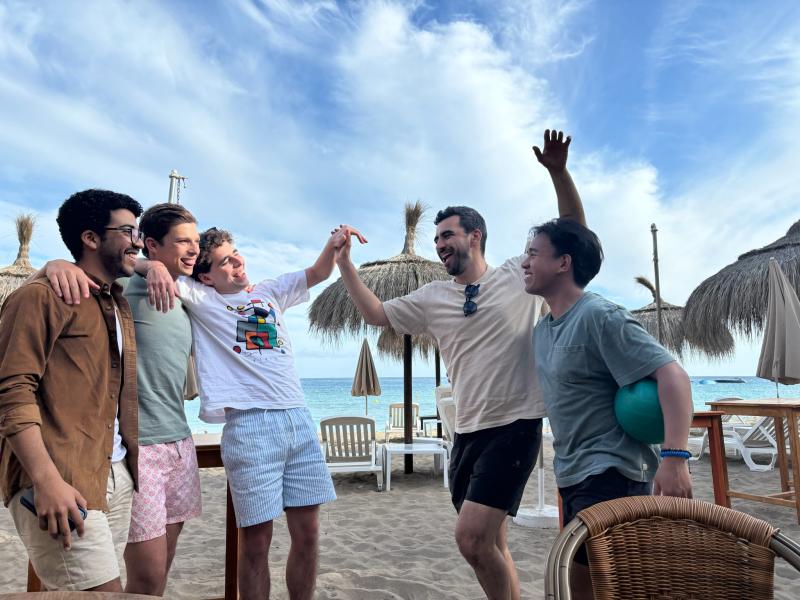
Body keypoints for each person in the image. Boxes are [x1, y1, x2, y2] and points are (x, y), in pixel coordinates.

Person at [333, 130, 585, 600]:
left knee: (471, 540)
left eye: (447, 235)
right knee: (492, 543)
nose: (440, 245)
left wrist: (558, 172)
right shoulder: (431, 297)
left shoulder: (517, 276)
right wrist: (347, 265)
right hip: (465, 433)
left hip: (515, 425)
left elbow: (573, 229)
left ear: (475, 235)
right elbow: (377, 314)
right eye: (436, 239)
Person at [138, 224, 365, 600]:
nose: (237, 262)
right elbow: (134, 263)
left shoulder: (270, 290)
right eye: (225, 261)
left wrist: (334, 245)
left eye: (236, 252)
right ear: (207, 275)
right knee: (257, 542)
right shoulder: (201, 297)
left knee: (308, 534)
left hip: (298, 419)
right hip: (249, 425)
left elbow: (318, 273)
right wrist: (156, 268)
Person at [521, 217, 693, 600]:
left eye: (533, 254)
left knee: (610, 587)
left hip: (612, 472)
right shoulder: (543, 329)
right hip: (572, 473)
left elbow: (674, 376)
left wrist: (675, 457)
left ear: (563, 263)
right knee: (581, 585)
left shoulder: (600, 316)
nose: (524, 262)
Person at [41, 203, 204, 595]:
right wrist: (52, 264)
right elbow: (71, 278)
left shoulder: (190, 296)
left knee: (161, 568)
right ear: (150, 244)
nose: (193, 249)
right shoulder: (123, 287)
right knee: (146, 576)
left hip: (181, 444)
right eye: (182, 241)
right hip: (138, 449)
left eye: (196, 241)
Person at [0, 189, 142, 591]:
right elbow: (11, 390)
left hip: (113, 474)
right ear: (91, 238)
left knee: (71, 593)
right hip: (57, 477)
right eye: (128, 230)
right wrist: (45, 480)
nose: (137, 240)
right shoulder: (41, 295)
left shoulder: (115, 303)